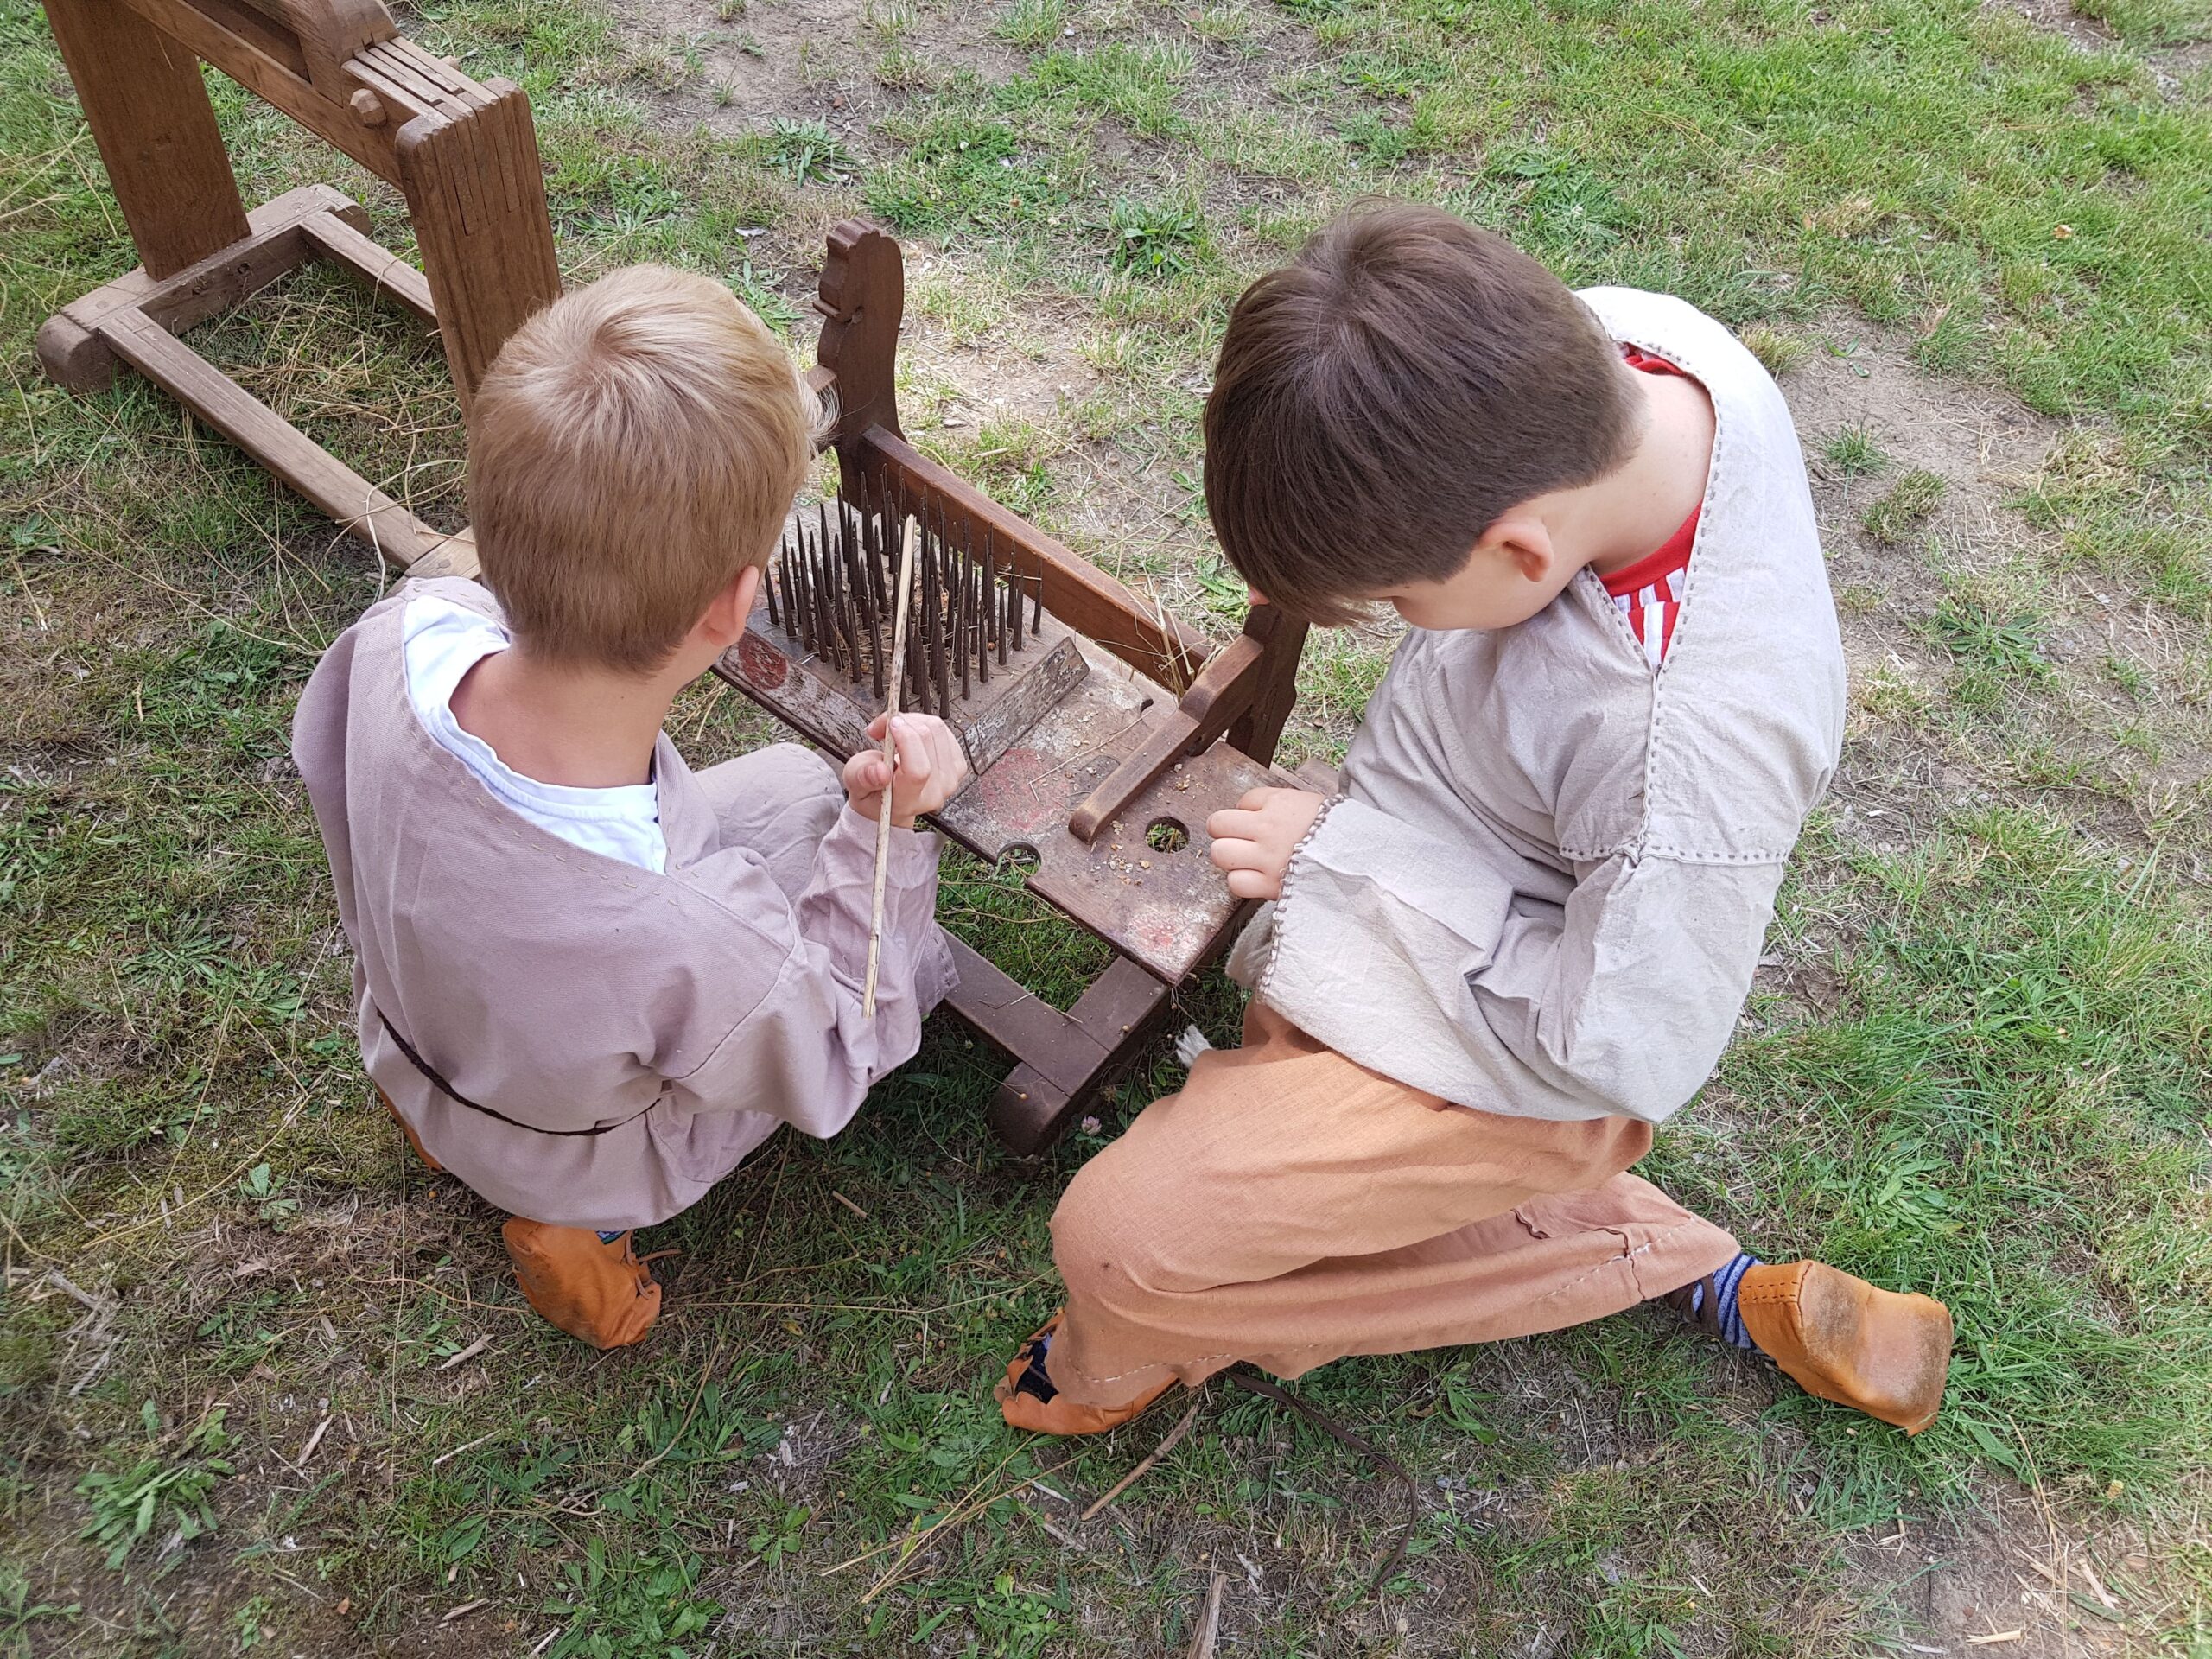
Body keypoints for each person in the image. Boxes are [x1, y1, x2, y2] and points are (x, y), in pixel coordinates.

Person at [995, 203, 1953, 1436]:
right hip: (1454, 887)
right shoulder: (1632, 349)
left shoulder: (1688, 752)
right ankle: (1721, 1283)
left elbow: (1612, 1047)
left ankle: (1125, 1348)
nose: (1398, 617)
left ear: (1519, 547)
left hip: (1536, 1042)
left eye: (1398, 596)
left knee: (1125, 1246)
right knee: (1272, 1124)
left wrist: (1342, 866)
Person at [294, 265, 967, 1350]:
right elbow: (838, 1057)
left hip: (421, 1033)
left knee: (796, 792)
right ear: (735, 611)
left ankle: (429, 1121)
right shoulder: (682, 930)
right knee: (911, 968)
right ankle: (575, 1223)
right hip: (571, 1140)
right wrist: (891, 838)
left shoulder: (401, 632)